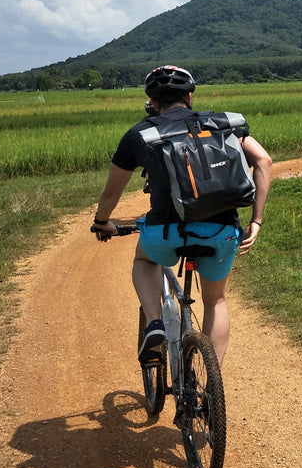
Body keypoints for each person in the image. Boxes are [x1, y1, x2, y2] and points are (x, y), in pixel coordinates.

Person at [92, 65, 272, 367]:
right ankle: (208, 379)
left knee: (144, 260)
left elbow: (112, 193)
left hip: (166, 231)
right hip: (223, 231)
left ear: (152, 101)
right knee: (215, 300)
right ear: (189, 97)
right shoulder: (223, 124)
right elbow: (264, 161)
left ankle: (154, 324)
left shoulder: (140, 134)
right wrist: (256, 220)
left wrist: (101, 222)